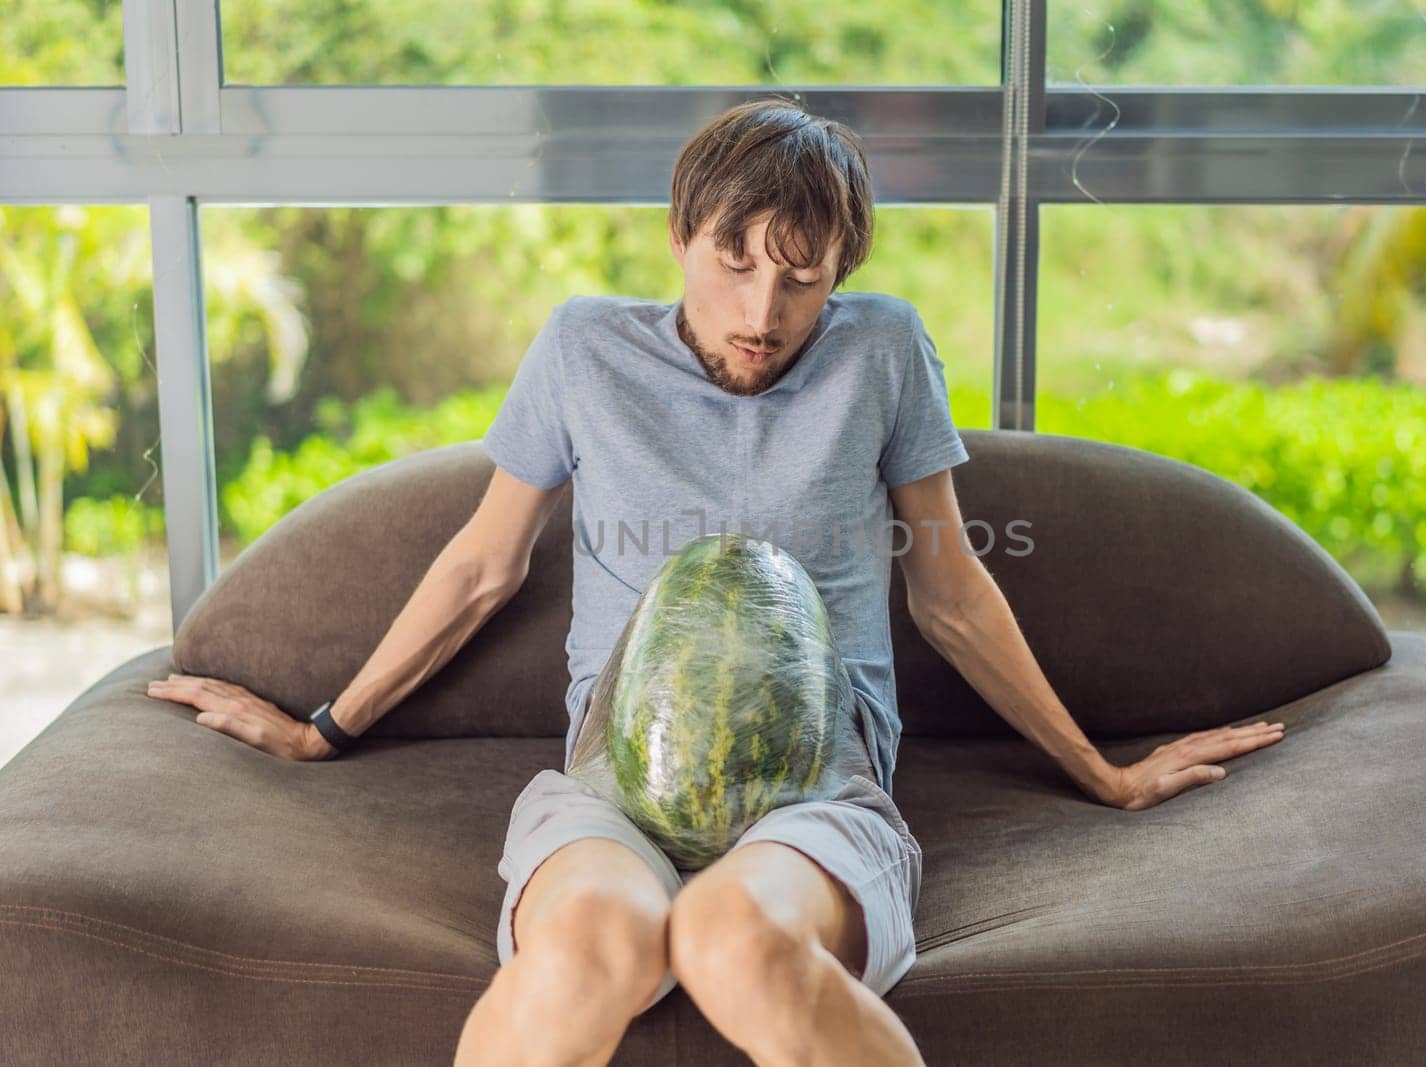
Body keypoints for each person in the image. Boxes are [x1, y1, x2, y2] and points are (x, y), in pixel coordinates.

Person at [146, 98, 1286, 1067]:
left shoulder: (881, 350)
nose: (760, 312)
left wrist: (1107, 774)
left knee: (730, 937)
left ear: (839, 270)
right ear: (682, 233)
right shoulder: (584, 350)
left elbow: (951, 592)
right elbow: (482, 566)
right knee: (592, 947)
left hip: (817, 787)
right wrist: (323, 729)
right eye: (733, 261)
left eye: (800, 278)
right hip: (609, 780)